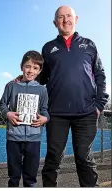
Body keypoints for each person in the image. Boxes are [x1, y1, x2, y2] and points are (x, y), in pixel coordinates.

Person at [13, 5, 109, 187]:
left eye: (68, 16)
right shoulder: (48, 48)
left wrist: (99, 105)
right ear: (54, 22)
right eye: (60, 17)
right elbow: (41, 76)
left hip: (86, 112)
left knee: (84, 157)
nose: (65, 20)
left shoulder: (89, 45)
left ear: (76, 19)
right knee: (53, 157)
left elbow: (100, 76)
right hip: (56, 113)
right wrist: (22, 79)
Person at [0, 50, 50, 187]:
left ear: (39, 71)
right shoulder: (11, 85)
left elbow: (45, 111)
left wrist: (45, 119)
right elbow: (2, 105)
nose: (30, 71)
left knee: (30, 176)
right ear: (21, 66)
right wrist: (8, 114)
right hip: (14, 137)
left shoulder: (42, 90)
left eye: (35, 68)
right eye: (27, 66)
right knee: (14, 176)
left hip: (34, 139)